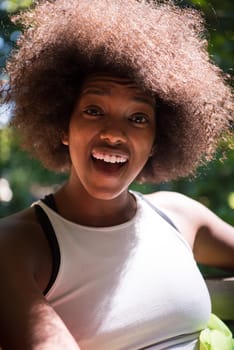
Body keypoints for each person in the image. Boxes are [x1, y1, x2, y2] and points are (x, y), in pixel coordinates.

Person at [0, 0, 234, 349]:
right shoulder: (16, 244)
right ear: (64, 126)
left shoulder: (178, 215)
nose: (114, 133)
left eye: (138, 117)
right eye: (94, 110)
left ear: (157, 140)